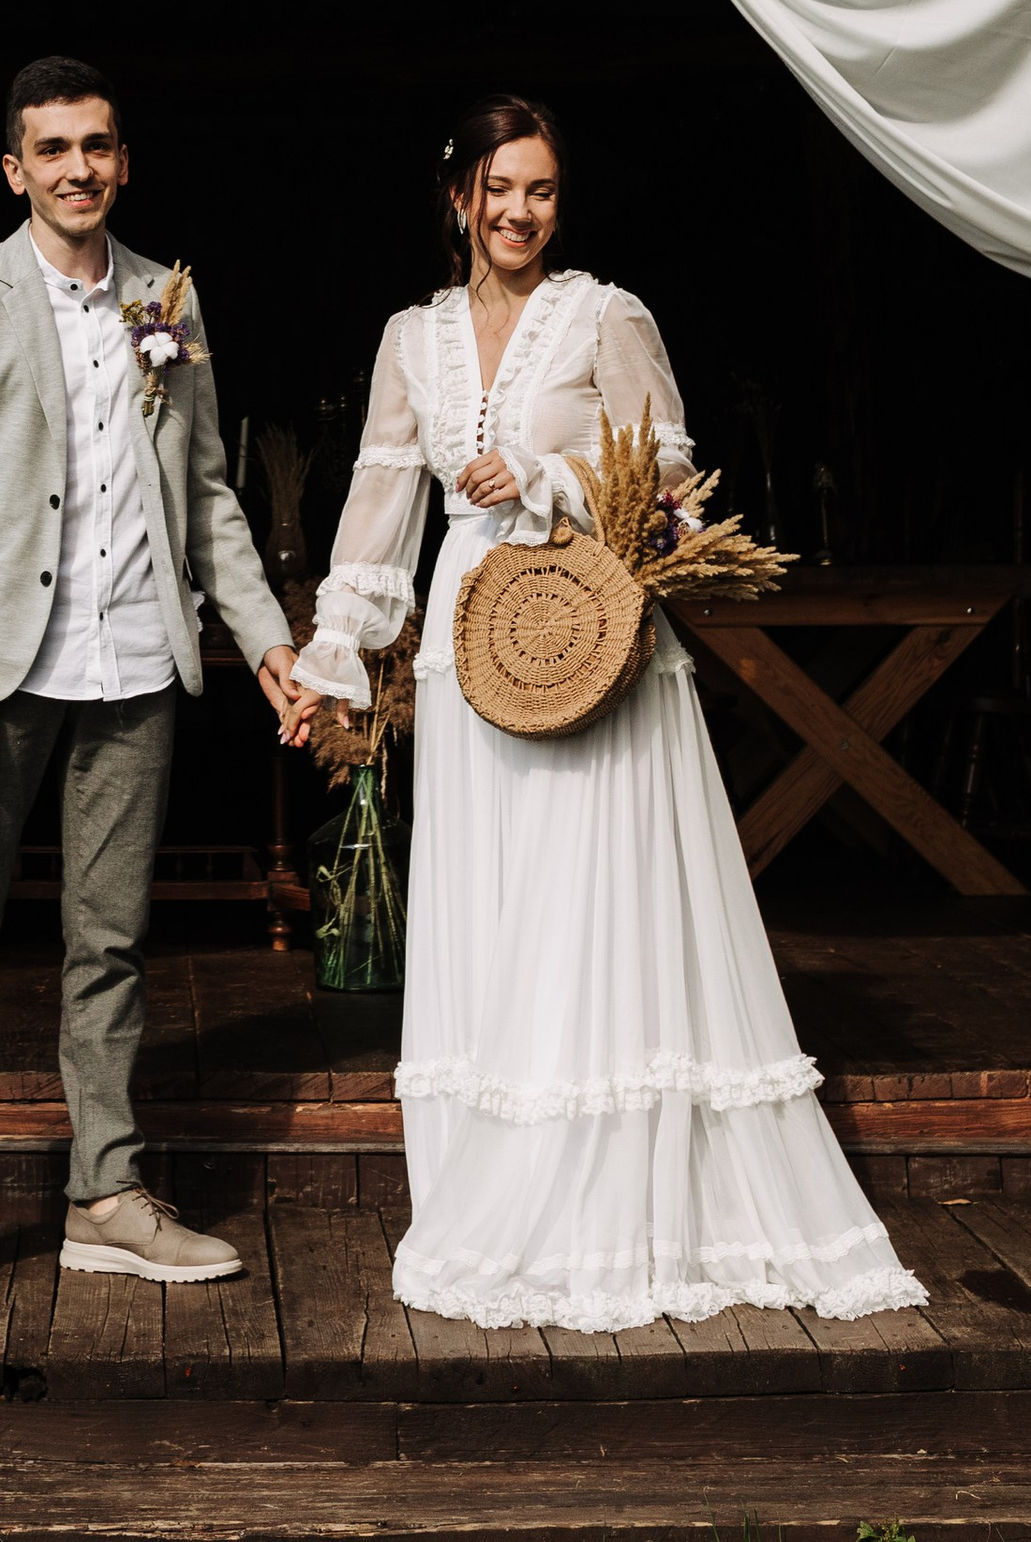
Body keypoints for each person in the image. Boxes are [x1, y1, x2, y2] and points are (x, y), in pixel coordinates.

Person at [287, 94, 925, 1335]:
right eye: (498, 187)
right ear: (459, 196)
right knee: (502, 908)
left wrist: (542, 477)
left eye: (541, 190)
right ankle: (506, 1190)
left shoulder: (605, 314)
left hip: (589, 636)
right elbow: (377, 508)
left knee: (592, 903)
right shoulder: (409, 340)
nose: (519, 210)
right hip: (473, 652)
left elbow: (671, 484)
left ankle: (622, 1207)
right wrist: (332, 661)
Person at [0, 57, 302, 1306]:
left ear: (123, 160)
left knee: (109, 945)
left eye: (99, 147)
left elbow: (209, 494)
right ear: (17, 169)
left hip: (133, 660)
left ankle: (106, 1198)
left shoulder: (166, 295)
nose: (80, 169)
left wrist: (270, 639)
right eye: (55, 150)